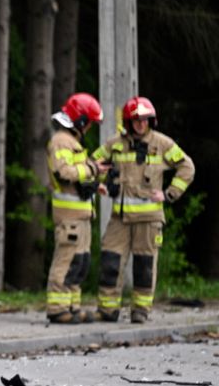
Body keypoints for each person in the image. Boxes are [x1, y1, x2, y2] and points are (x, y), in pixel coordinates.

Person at [92, 96, 195, 323]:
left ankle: (140, 310)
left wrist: (169, 194)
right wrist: (100, 182)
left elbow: (187, 167)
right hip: (120, 218)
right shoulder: (115, 143)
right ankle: (107, 309)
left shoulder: (162, 144)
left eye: (145, 120)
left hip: (149, 219)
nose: (141, 124)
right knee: (110, 261)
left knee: (144, 266)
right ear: (128, 122)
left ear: (151, 121)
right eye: (136, 120)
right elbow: (93, 164)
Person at [45, 93, 105, 324]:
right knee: (66, 261)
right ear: (80, 120)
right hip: (68, 216)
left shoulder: (72, 141)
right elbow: (64, 172)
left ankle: (72, 306)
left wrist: (94, 184)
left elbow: (77, 177)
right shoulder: (61, 141)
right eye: (89, 122)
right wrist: (92, 169)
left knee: (79, 263)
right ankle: (57, 308)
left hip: (81, 214)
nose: (89, 128)